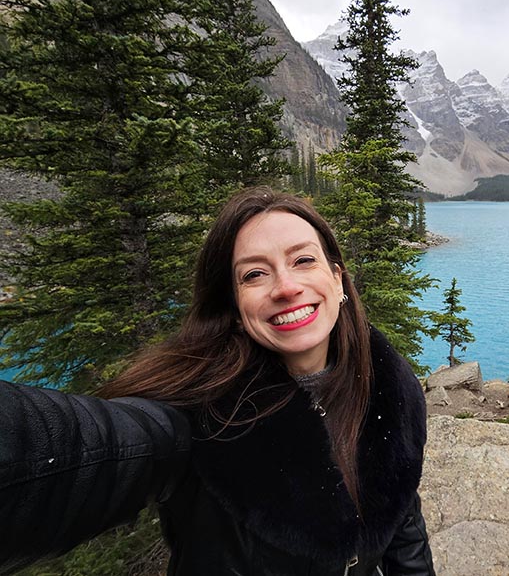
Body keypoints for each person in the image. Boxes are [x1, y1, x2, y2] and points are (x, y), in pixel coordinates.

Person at [0, 188, 435, 575]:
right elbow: (91, 447)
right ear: (235, 305)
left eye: (303, 260)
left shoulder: (388, 388)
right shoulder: (204, 415)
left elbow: (402, 516)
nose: (285, 287)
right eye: (254, 274)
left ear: (337, 278)